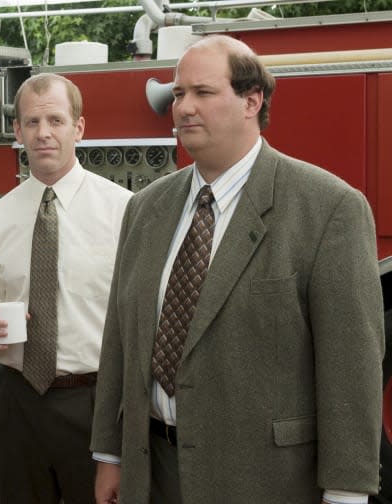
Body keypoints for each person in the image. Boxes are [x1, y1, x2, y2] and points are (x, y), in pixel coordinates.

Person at [91, 35, 384, 504]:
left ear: (252, 101)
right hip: (155, 474)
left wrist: (346, 493)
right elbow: (119, 341)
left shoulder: (329, 208)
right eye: (179, 93)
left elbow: (351, 371)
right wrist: (110, 455)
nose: (184, 107)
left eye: (203, 93)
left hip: (267, 481)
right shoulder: (145, 209)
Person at [0, 73, 133, 503]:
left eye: (56, 121)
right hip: (15, 398)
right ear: (18, 130)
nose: (43, 133)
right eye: (32, 122)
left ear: (79, 128)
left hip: (94, 401)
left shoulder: (124, 212)